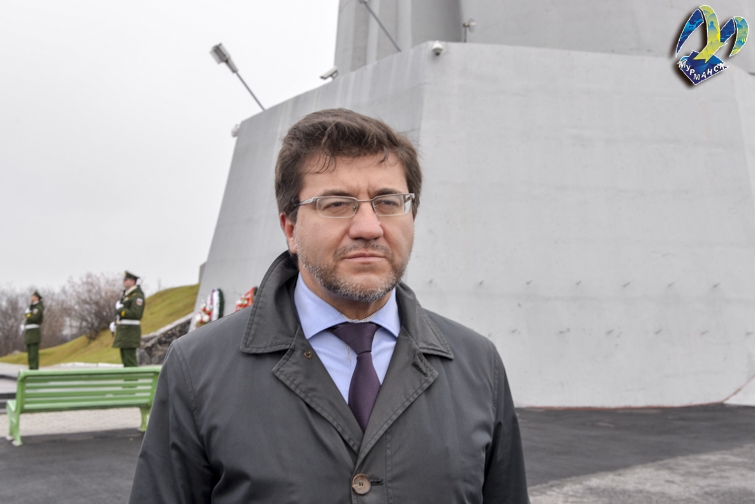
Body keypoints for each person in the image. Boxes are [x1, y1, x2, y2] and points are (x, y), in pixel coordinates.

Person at [130, 109, 529, 503]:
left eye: (388, 201)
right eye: (337, 203)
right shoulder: (198, 368)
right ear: (290, 229)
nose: (369, 227)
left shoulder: (479, 365)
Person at [111, 271, 145, 367]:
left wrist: (120, 310)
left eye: (126, 279)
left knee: (130, 361)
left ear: (133, 281)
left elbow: (136, 314)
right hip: (124, 332)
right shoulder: (127, 295)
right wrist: (115, 323)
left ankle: (133, 377)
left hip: (130, 332)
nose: (124, 281)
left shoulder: (137, 296)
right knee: (126, 361)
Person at [22, 290, 44, 370]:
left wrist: (27, 314)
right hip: (29, 333)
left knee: (33, 353)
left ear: (37, 298)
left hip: (34, 333)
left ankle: (34, 369)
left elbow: (34, 318)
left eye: (33, 297)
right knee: (30, 354)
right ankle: (31, 368)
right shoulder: (32, 307)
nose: (31, 298)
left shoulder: (37, 308)